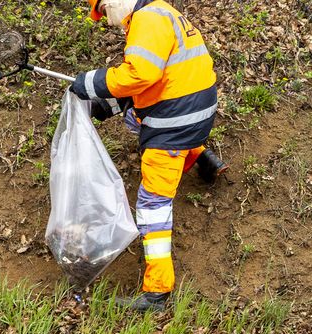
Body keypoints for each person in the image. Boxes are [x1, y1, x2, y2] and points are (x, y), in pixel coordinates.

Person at [69, 0, 226, 311]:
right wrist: (108, 104)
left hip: (175, 119)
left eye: (103, 13)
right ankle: (200, 157)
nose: (107, 21)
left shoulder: (146, 21)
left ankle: (157, 292)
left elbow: (140, 75)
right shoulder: (160, 11)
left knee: (153, 203)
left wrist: (91, 83)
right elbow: (154, 79)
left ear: (111, 2)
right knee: (133, 118)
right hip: (196, 108)